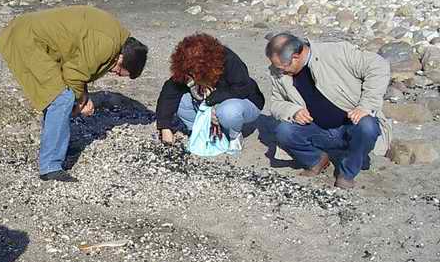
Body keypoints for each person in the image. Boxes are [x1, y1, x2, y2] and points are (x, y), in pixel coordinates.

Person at [0, 5, 148, 182]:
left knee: (60, 97)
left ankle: (56, 148)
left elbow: (80, 67)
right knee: (62, 98)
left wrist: (83, 97)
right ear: (122, 58)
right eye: (121, 72)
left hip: (31, 35)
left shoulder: (115, 38)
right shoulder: (107, 44)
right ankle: (50, 167)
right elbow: (73, 76)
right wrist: (81, 102)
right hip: (29, 41)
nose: (116, 74)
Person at [265, 33, 392, 189]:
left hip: (351, 126)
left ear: (296, 56)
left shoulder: (336, 52)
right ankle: (317, 160)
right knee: (284, 130)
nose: (280, 71)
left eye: (283, 67)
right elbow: (276, 103)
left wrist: (366, 106)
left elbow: (379, 66)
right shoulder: (278, 71)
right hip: (319, 130)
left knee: (367, 126)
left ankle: (347, 172)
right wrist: (293, 111)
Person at [156, 33, 264, 148]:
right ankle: (203, 132)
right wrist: (165, 128)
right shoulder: (187, 67)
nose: (192, 76)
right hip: (209, 100)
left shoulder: (229, 60)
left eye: (195, 73)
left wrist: (211, 102)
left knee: (228, 111)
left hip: (245, 101)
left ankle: (234, 136)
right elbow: (169, 92)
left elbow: (242, 88)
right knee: (181, 102)